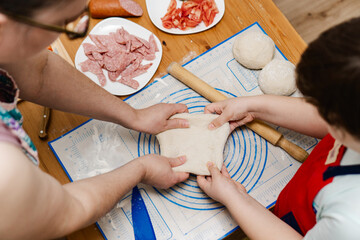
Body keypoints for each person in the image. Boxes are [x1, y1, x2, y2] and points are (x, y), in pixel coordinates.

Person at [0, 0, 190, 239]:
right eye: (64, 23)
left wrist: (133, 115)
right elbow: (68, 211)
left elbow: (38, 72)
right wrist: (140, 169)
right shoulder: (5, 166)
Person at [198, 17, 360, 239]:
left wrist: (235, 199)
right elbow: (323, 117)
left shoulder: (350, 220)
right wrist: (252, 106)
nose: (319, 110)